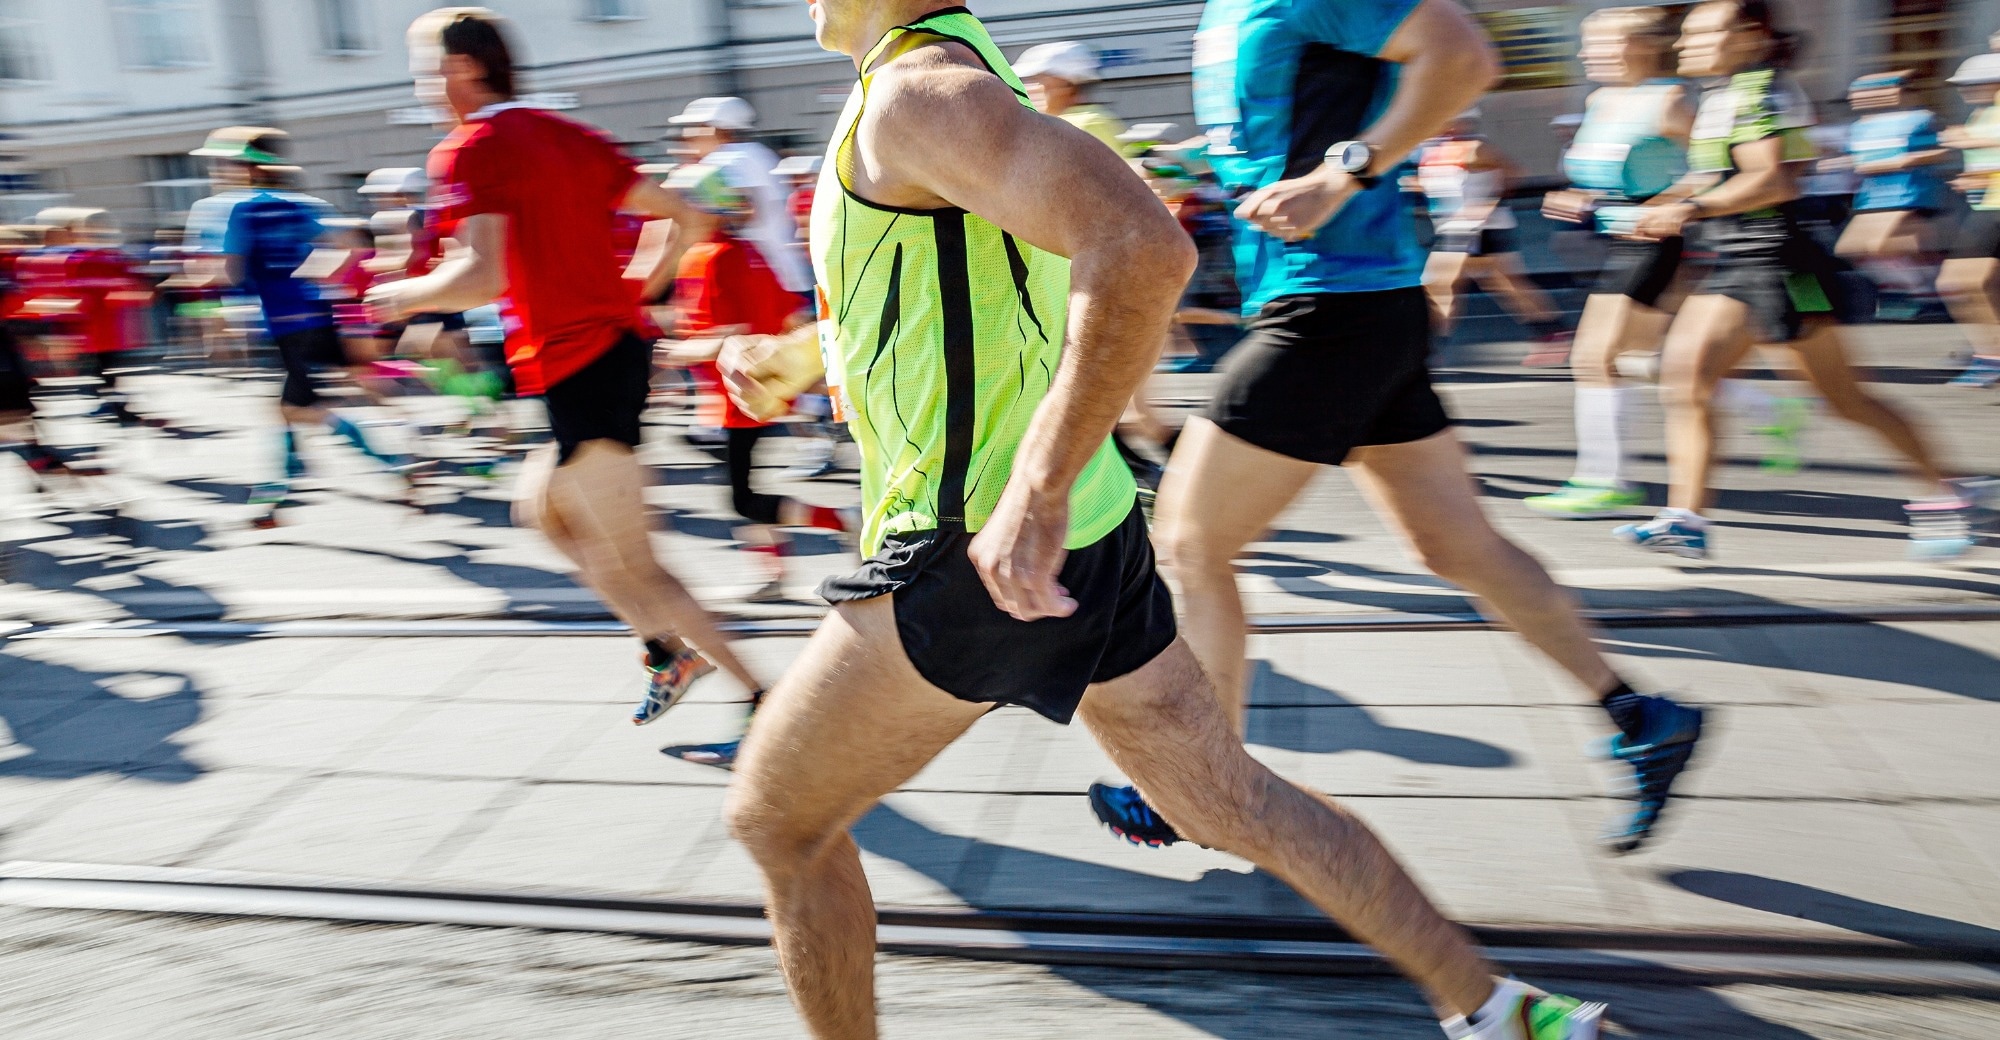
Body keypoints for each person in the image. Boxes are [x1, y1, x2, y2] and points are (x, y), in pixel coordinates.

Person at [717, 4, 1608, 1039]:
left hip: (974, 548)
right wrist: (796, 356)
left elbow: (1140, 249)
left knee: (776, 821)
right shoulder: (944, 85)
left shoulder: (919, 94)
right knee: (1230, 799)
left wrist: (1037, 485)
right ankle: (1500, 1008)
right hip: (1089, 540)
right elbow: (973, 280)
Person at [1125, 0, 1705, 866]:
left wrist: (1341, 177)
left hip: (1330, 307)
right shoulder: (1226, 15)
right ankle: (1640, 715)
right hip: (1352, 302)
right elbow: (1279, 132)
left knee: (1189, 541)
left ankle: (1202, 789)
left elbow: (1462, 55)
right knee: (1456, 545)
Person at [369, 8, 766, 728]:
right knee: (542, 511)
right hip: (600, 357)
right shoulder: (567, 133)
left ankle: (762, 704)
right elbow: (687, 218)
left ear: (463, 68)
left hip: (582, 367)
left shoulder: (471, 147)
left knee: (640, 563)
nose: (423, 87)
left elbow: (482, 276)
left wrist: (403, 296)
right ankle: (666, 651)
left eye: (426, 70)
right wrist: (631, 293)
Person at [1614, 0, 1974, 561]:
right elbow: (1713, 174)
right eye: (1685, 34)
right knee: (1685, 380)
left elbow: (1775, 181)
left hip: (1786, 265)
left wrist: (1691, 210)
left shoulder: (1763, 94)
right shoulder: (1724, 94)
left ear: (1751, 36)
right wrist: (1660, 205)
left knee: (1843, 398)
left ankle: (1942, 494)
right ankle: (1685, 520)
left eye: (1702, 33)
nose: (1684, 44)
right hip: (1737, 260)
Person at [187, 127, 419, 526]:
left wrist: (199, 282)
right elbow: (352, 242)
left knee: (300, 409)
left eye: (225, 163)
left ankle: (392, 464)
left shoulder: (239, 209)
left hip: (284, 324)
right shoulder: (302, 202)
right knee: (291, 407)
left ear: (246, 167)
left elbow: (227, 271)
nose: (220, 170)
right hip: (319, 315)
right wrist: (315, 276)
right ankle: (280, 492)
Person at [654, 163, 856, 606]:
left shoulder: (709, 257)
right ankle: (773, 572)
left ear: (704, 209)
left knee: (743, 499)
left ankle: (840, 520)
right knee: (741, 490)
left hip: (739, 397)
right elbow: (791, 316)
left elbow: (731, 336)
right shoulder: (747, 252)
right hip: (754, 392)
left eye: (681, 202)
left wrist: (671, 353)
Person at [1528, 6, 1692, 519]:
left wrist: (1663, 205)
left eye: (1598, 43)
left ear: (1641, 45)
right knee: (1639, 362)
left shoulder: (1671, 99)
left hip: (1658, 241)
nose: (1585, 54)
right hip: (1613, 240)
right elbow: (1607, 172)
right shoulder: (1599, 100)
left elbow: (1714, 168)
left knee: (1595, 358)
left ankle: (1606, 481)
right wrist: (1579, 195)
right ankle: (1767, 407)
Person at [1416, 108, 1572, 363]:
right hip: (1456, 227)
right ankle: (1553, 333)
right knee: (1503, 285)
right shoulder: (1432, 150)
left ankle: (1427, 349)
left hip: (1479, 228)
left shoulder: (1475, 148)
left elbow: (1513, 173)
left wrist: (1488, 204)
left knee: (1438, 284)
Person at [666, 95, 814, 297]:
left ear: (713, 129)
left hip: (765, 279)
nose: (686, 137)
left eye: (693, 128)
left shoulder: (728, 159)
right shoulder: (757, 152)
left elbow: (744, 210)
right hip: (785, 272)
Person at [1834, 71, 1952, 319]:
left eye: (1864, 93)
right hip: (1872, 196)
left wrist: (1903, 161)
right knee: (1851, 248)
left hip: (1908, 191)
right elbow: (1856, 158)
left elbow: (1944, 150)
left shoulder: (1921, 119)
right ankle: (1926, 288)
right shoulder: (1859, 127)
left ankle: (1926, 291)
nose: (1856, 98)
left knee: (1880, 246)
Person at [1940, 52, 2000, 387]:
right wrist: (1973, 178)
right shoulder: (1983, 113)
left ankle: (1991, 358)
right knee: (1973, 283)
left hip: (1995, 207)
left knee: (1959, 281)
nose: (1964, 90)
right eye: (1961, 84)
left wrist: (1969, 140)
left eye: (1973, 83)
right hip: (1987, 205)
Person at [1014, 40, 1126, 151]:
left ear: (1066, 86)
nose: (1029, 88)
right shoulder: (1045, 126)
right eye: (1027, 81)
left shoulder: (1089, 125)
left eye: (1039, 79)